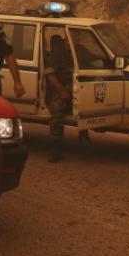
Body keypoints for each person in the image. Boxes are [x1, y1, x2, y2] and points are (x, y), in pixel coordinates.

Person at [43, 34, 74, 162]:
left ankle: (84, 133)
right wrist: (62, 91)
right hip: (62, 87)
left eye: (78, 35)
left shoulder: (79, 49)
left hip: (79, 86)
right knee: (56, 112)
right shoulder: (58, 53)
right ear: (66, 38)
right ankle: (55, 150)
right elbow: (50, 74)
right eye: (74, 35)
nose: (77, 38)